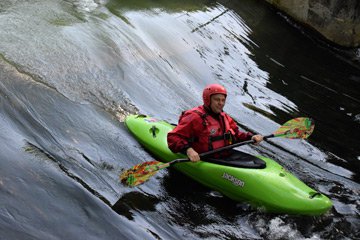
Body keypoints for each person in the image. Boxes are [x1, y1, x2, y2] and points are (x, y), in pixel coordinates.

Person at [167, 83, 263, 162]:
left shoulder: (224, 117)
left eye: (223, 100)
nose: (221, 103)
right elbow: (173, 137)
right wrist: (188, 150)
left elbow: (236, 135)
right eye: (217, 100)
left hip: (223, 156)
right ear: (208, 100)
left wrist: (251, 137)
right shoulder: (194, 117)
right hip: (203, 158)